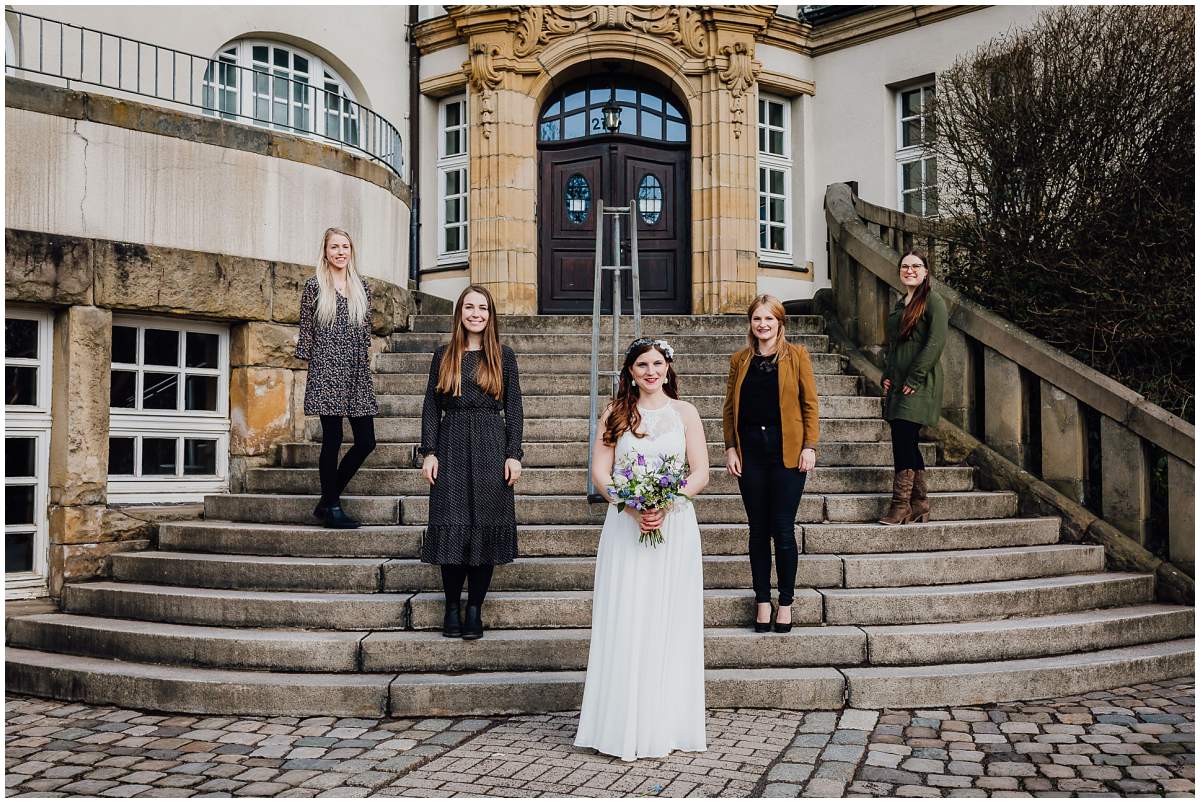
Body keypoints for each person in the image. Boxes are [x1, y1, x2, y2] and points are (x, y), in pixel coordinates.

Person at [575, 338, 709, 762]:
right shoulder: (615, 413)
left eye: (657, 363)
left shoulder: (685, 413)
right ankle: (620, 724)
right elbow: (600, 470)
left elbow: (701, 470)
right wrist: (629, 505)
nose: (650, 371)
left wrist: (668, 503)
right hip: (625, 528)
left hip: (675, 525)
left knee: (668, 618)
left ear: (668, 368)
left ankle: (666, 723)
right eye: (641, 365)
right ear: (630, 372)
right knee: (629, 616)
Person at [419, 285, 523, 640]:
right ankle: (451, 607)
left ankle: (474, 608)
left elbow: (516, 408)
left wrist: (514, 454)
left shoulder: (503, 356)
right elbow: (431, 407)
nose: (476, 313)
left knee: (487, 525)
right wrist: (429, 452)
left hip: (491, 443)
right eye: (469, 307)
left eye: (482, 308)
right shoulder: (444, 354)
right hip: (451, 443)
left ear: (490, 315)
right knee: (452, 522)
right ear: (459, 313)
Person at [722, 295, 820, 633]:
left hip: (787, 454)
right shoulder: (740, 359)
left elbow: (810, 404)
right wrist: (731, 448)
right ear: (750, 323)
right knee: (757, 530)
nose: (762, 325)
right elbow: (729, 407)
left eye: (769, 319)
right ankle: (762, 601)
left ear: (780, 323)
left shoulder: (797, 357)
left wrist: (810, 445)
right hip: (750, 454)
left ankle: (787, 603)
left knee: (782, 529)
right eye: (757, 319)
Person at [295, 227, 378, 530]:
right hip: (327, 367)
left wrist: (363, 358)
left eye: (345, 247)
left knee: (366, 441)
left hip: (356, 369)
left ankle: (326, 499)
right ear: (326, 252)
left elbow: (366, 328)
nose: (340, 252)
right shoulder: (314, 285)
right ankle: (332, 505)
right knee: (333, 438)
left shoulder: (362, 287)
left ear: (351, 251)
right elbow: (306, 328)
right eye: (334, 247)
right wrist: (310, 361)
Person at [879, 249, 948, 525]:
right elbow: (895, 346)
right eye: (905, 266)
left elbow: (935, 343)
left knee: (903, 437)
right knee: (905, 438)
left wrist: (914, 378)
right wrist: (887, 373)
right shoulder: (900, 304)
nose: (910, 270)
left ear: (926, 271)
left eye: (916, 266)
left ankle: (901, 505)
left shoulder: (933, 301)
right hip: (899, 381)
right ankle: (919, 504)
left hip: (920, 382)